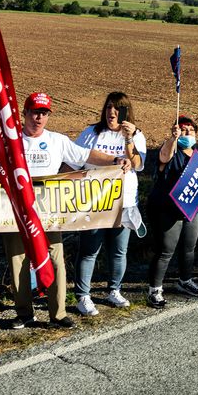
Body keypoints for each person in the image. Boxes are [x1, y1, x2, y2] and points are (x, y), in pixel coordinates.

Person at [2, 92, 132, 329]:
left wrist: (115, 160)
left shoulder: (57, 140)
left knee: (55, 259)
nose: (38, 118)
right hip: (16, 213)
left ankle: (58, 313)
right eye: (34, 112)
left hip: (51, 213)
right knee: (18, 260)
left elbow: (85, 155)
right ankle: (23, 313)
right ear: (25, 113)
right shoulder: (10, 140)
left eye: (43, 113)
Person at [73, 92, 146, 315]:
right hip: (94, 203)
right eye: (108, 108)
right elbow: (75, 159)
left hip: (124, 203)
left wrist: (128, 139)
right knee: (89, 250)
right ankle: (83, 296)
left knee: (119, 251)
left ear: (126, 112)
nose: (112, 113)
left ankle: (114, 290)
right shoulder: (91, 133)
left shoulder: (136, 135)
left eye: (117, 108)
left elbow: (138, 164)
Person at [146, 115, 198, 308]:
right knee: (165, 251)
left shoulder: (196, 153)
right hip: (167, 209)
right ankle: (155, 290)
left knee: (189, 248)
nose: (188, 133)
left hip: (191, 208)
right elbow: (163, 158)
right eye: (183, 130)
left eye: (191, 130)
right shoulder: (171, 148)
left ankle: (185, 281)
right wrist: (173, 138)